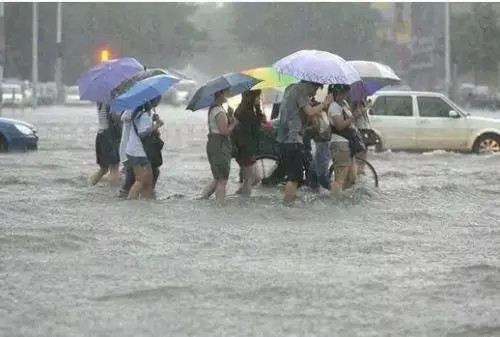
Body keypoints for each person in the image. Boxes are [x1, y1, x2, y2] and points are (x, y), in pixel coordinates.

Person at [277, 80, 333, 204]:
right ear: (312, 84)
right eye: (316, 89)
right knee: (295, 177)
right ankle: (287, 206)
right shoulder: (300, 90)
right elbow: (310, 112)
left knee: (296, 174)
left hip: (290, 138)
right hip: (292, 139)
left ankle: (290, 202)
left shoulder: (293, 89)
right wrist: (324, 103)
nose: (315, 93)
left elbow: (304, 114)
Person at [200, 89, 239, 205]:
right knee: (222, 180)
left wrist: (230, 116)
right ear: (220, 94)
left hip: (214, 144)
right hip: (220, 145)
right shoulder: (219, 111)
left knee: (218, 178)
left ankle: (202, 199)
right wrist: (234, 124)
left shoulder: (215, 109)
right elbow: (224, 131)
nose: (228, 95)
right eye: (225, 93)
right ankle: (220, 207)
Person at [328, 84, 365, 196]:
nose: (344, 95)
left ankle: (344, 200)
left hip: (349, 144)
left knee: (352, 177)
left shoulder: (344, 104)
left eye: (346, 92)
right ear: (336, 93)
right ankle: (334, 202)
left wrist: (358, 111)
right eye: (342, 92)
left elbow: (350, 122)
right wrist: (354, 116)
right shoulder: (334, 106)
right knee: (340, 177)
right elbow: (339, 126)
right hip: (340, 143)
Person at [232, 89, 265, 196]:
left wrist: (259, 114)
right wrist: (259, 118)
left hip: (243, 148)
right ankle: (244, 200)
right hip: (245, 149)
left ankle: (238, 196)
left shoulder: (243, 110)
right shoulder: (246, 113)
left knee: (251, 178)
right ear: (251, 97)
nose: (259, 99)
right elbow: (253, 131)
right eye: (258, 97)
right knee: (251, 178)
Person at [90, 102, 121, 187]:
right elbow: (115, 117)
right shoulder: (110, 101)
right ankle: (112, 195)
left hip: (100, 136)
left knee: (103, 169)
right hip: (110, 137)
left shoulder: (99, 101)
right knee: (114, 168)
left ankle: (89, 185)